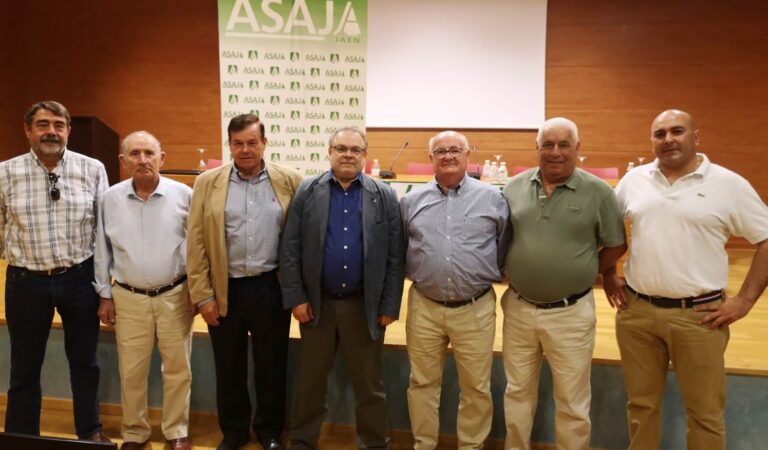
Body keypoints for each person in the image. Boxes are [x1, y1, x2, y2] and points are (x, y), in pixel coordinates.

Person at [609, 109, 768, 450]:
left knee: (705, 414)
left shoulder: (729, 184)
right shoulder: (633, 181)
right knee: (641, 407)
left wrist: (744, 301)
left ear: (696, 137)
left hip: (699, 318)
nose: (668, 139)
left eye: (677, 131)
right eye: (660, 134)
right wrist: (608, 274)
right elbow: (605, 231)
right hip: (637, 314)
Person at [501, 117, 627, 450]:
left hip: (570, 314)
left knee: (572, 401)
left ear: (577, 148)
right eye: (548, 144)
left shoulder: (598, 192)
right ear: (537, 148)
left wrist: (588, 270)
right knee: (516, 393)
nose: (555, 152)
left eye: (564, 144)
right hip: (518, 308)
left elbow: (616, 244)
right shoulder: (512, 187)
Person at [280, 126, 405, 450]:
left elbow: (395, 255)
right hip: (317, 307)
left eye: (354, 149)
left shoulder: (384, 195)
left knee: (370, 386)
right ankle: (304, 441)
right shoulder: (308, 191)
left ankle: (375, 443)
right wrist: (296, 298)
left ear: (364, 155)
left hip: (364, 307)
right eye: (340, 148)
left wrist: (389, 305)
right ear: (330, 152)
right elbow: (290, 248)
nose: (347, 154)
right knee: (310, 383)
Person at [186, 114, 303, 450]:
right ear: (230, 145)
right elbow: (195, 242)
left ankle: (269, 431)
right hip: (226, 289)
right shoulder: (208, 182)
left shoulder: (289, 180)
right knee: (229, 365)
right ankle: (235, 431)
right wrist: (203, 295)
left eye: (252, 142)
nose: (246, 149)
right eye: (238, 143)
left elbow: (299, 240)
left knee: (272, 364)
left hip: (271, 286)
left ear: (264, 143)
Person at [0, 100, 111, 442]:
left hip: (79, 278)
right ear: (28, 130)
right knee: (24, 367)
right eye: (43, 124)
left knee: (85, 363)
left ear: (68, 131)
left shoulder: (92, 169)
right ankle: (21, 437)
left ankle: (89, 432)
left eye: (58, 125)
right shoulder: (4, 172)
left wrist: (105, 286)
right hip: (25, 282)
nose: (51, 131)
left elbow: (103, 230)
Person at [401, 130, 510, 450]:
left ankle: (471, 447)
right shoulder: (410, 201)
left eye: (455, 150)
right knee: (421, 383)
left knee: (476, 387)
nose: (448, 155)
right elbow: (402, 247)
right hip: (425, 306)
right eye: (441, 151)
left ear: (467, 155)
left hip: (474, 308)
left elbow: (504, 245)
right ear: (430, 158)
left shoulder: (492, 198)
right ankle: (424, 444)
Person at [94, 131, 194, 450]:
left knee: (178, 368)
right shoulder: (109, 198)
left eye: (149, 153)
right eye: (134, 154)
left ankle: (177, 430)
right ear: (123, 162)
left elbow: (196, 246)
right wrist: (104, 294)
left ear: (161, 158)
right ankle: (135, 432)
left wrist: (195, 288)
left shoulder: (184, 195)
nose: (143, 160)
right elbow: (101, 248)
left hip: (175, 294)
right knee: (132, 370)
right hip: (128, 297)